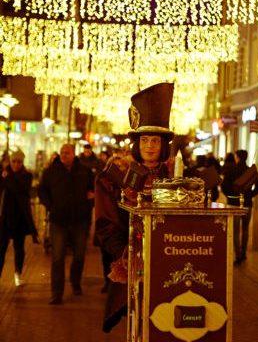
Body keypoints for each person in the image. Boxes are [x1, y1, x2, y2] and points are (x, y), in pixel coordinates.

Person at [95, 82, 174, 333]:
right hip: (133, 262)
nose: (150, 145)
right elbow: (106, 222)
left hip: (169, 261)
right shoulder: (116, 176)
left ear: (164, 145)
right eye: (145, 140)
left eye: (156, 140)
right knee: (139, 323)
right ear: (137, 144)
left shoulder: (176, 177)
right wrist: (122, 252)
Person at [38, 143, 95, 304]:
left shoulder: (84, 171)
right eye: (62, 152)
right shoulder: (51, 171)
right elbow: (42, 190)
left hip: (80, 220)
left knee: (79, 255)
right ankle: (56, 293)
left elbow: (93, 190)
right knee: (57, 257)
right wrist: (50, 206)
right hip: (58, 220)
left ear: (74, 154)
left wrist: (88, 203)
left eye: (67, 152)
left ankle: (75, 282)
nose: (64, 155)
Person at [0, 150, 39, 286]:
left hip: (20, 217)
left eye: (19, 162)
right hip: (4, 217)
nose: (16, 164)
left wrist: (7, 178)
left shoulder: (26, 175)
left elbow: (19, 189)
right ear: (10, 161)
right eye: (14, 161)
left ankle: (18, 273)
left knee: (19, 248)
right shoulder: (3, 174)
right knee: (1, 248)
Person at [221, 149, 258, 265]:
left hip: (234, 204)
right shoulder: (250, 171)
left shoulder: (232, 170)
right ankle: (244, 253)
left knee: (235, 230)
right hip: (247, 204)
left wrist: (231, 196)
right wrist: (249, 195)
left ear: (238, 157)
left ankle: (238, 254)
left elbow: (224, 186)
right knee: (245, 229)